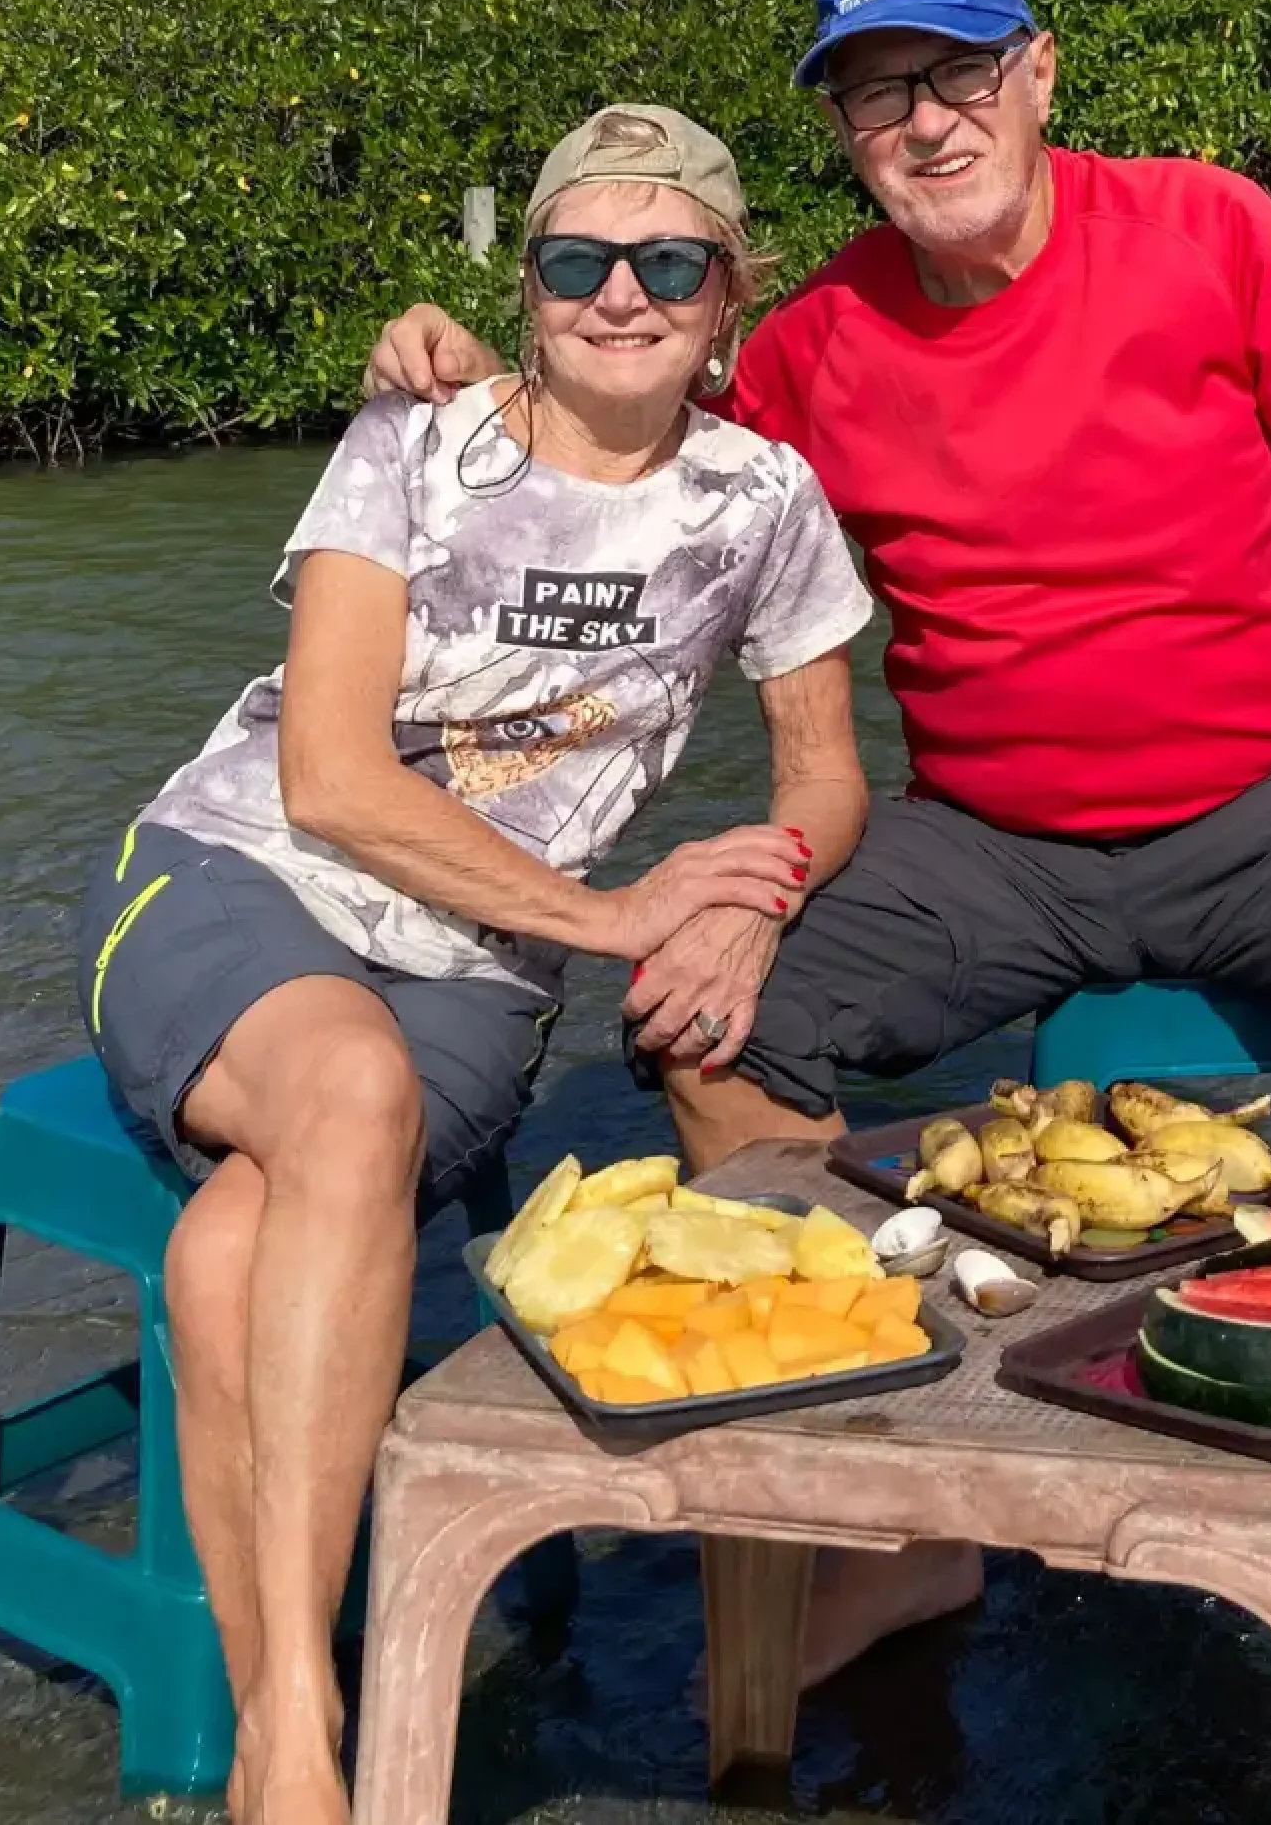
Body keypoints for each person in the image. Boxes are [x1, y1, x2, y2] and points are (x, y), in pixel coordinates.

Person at [368, 0, 1271, 1802]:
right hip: (992, 839)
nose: (927, 120)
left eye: (956, 72)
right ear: (845, 137)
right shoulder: (811, 346)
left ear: (1038, 73)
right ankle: (892, 1525)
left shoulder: (1206, 230)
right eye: (880, 93)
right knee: (707, 1031)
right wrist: (471, 375)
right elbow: (617, 438)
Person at [80, 105, 871, 1825]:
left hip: (472, 965)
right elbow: (330, 782)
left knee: (235, 1243)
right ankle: (304, 1741)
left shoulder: (765, 499)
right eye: (578, 259)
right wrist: (616, 917)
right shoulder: (415, 438)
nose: (620, 295)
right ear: (527, 288)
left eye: (667, 261)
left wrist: (753, 896)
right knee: (347, 1093)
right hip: (238, 878)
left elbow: (824, 770)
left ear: (730, 293)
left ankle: (272, 1715)